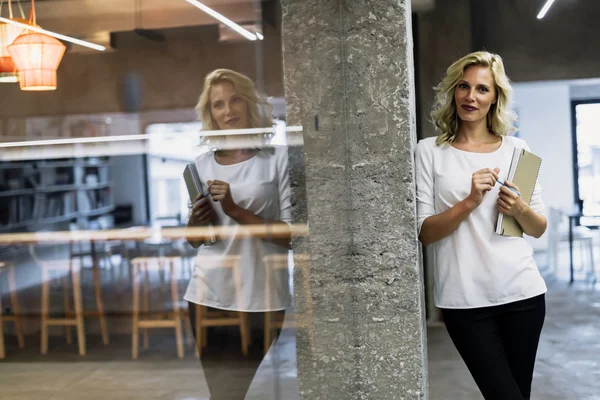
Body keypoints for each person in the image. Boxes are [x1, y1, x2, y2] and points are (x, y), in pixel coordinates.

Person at [415, 51, 547, 400]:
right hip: (464, 302)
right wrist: (470, 201)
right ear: (453, 91)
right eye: (463, 86)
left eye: (482, 89)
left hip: (524, 295)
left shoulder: (519, 149)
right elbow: (425, 232)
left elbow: (538, 227)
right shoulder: (429, 151)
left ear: (495, 98)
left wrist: (519, 207)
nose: (470, 96)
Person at [184, 68, 292, 399]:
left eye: (234, 101)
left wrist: (234, 210)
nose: (228, 111)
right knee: (223, 394)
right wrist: (197, 221)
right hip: (207, 294)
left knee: (229, 392)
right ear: (210, 114)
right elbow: (195, 241)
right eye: (218, 105)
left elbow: (291, 235)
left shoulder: (276, 159)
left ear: (248, 104)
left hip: (262, 295)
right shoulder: (200, 165)